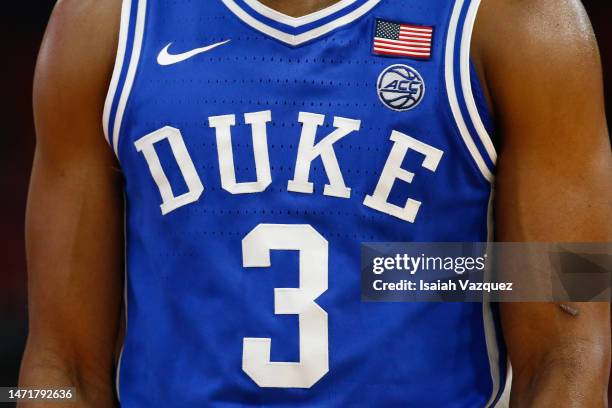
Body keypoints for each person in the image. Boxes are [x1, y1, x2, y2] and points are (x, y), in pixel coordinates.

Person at [20, 0, 611, 406]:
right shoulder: (106, 21)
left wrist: (402, 271)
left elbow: (572, 342)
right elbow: (59, 367)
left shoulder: (518, 19)